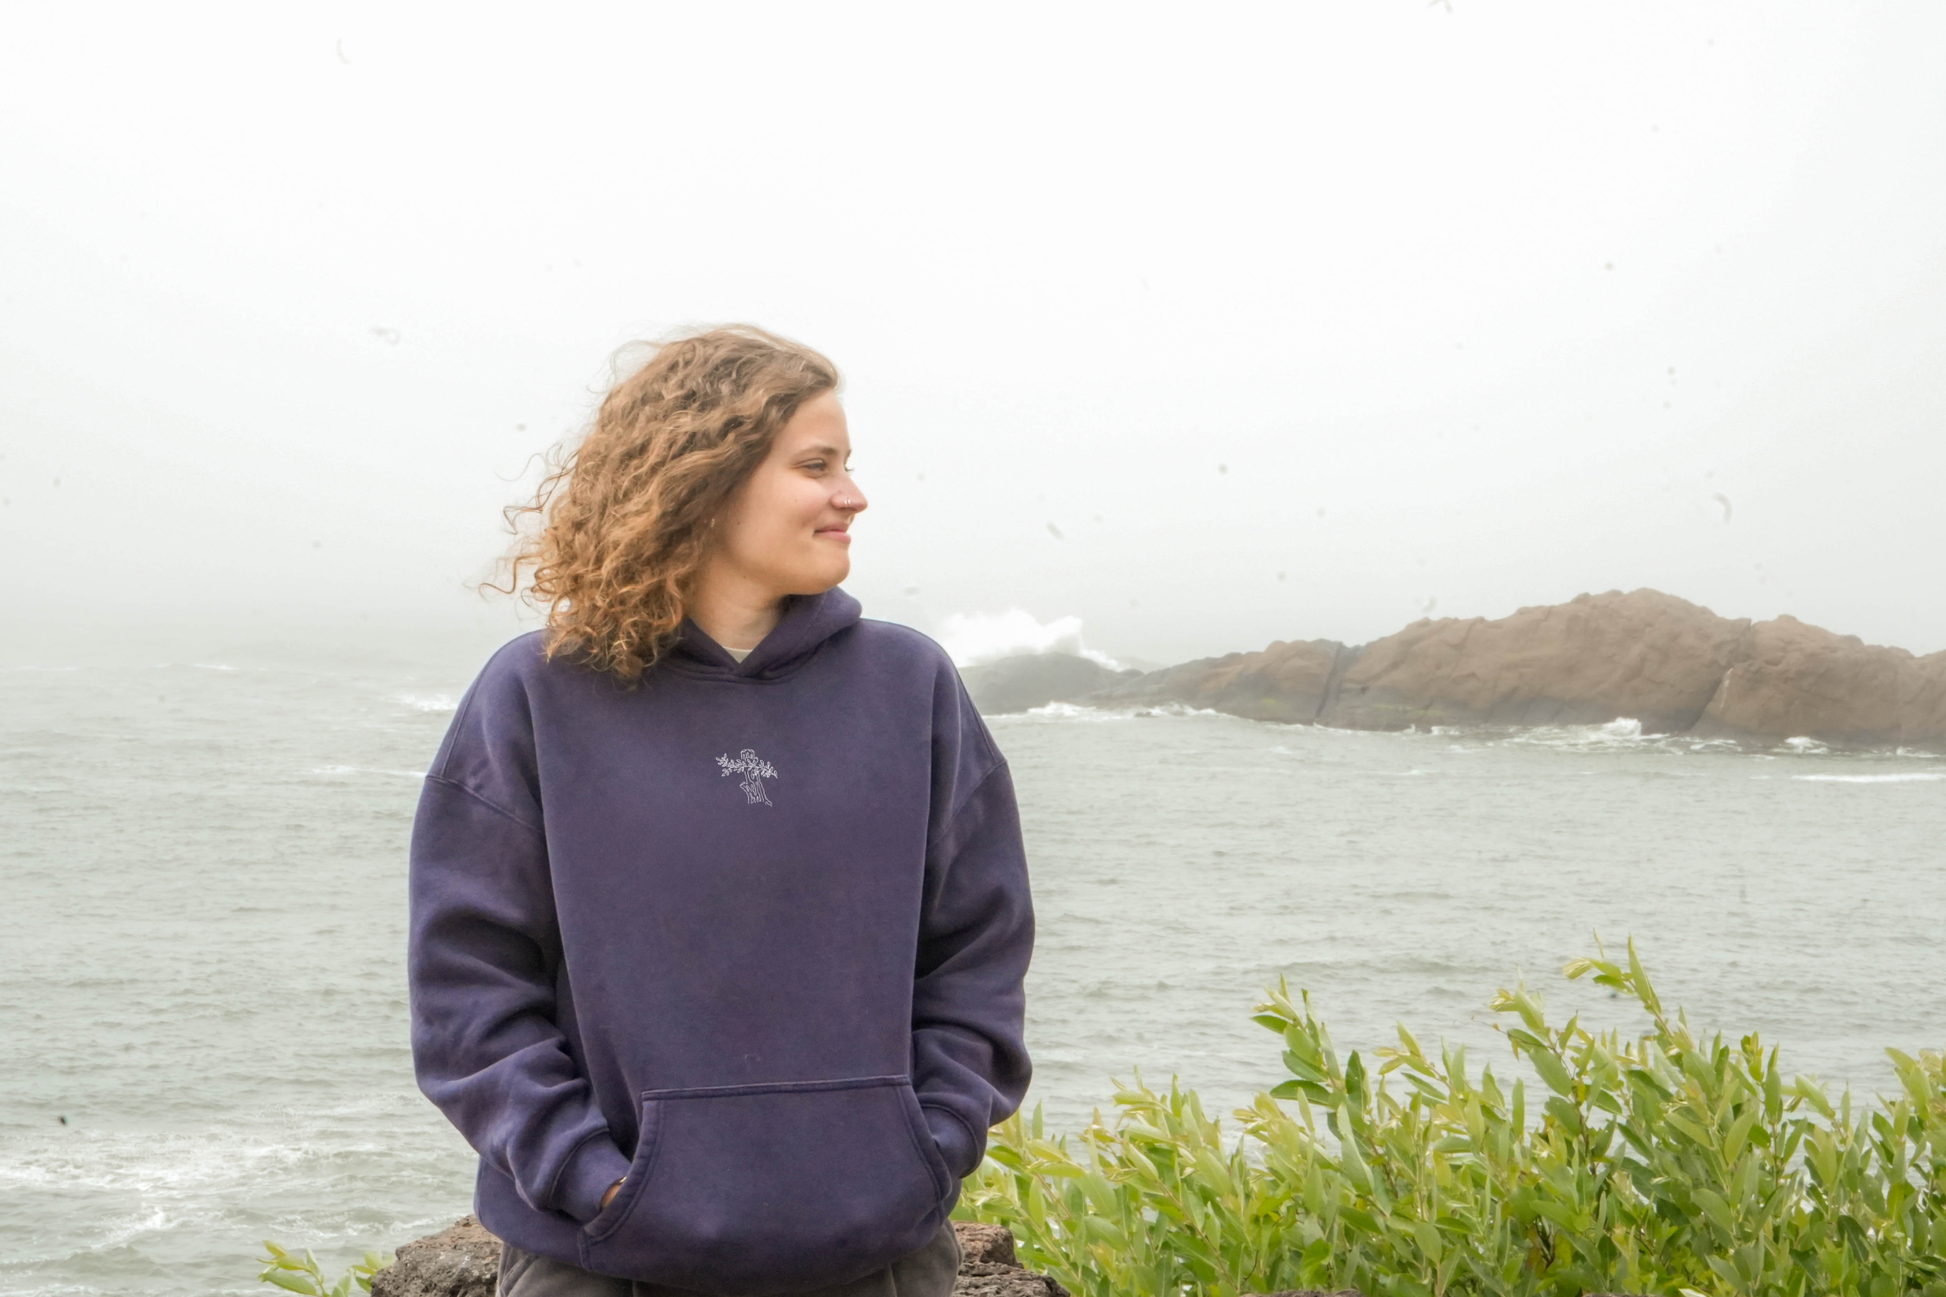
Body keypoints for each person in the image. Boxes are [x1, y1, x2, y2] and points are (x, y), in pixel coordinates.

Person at [406, 326, 1035, 1297]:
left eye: (847, 466)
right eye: (815, 465)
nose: (852, 494)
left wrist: (925, 1144)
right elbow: (468, 992)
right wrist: (596, 1180)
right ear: (704, 477)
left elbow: (976, 951)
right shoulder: (536, 693)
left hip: (877, 1264)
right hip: (603, 1265)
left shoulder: (909, 685)